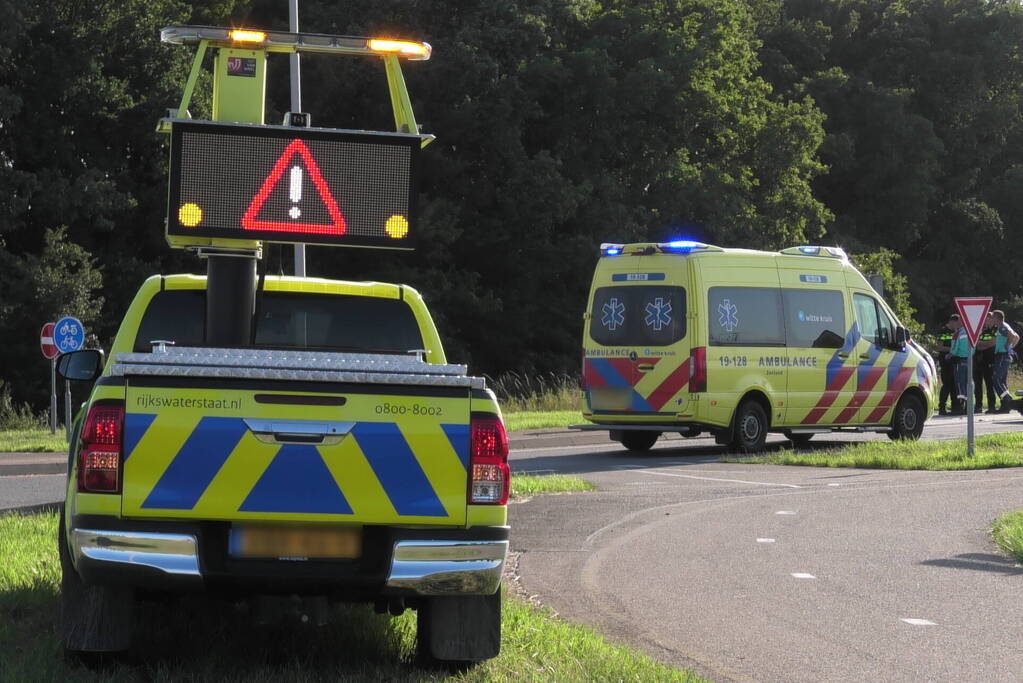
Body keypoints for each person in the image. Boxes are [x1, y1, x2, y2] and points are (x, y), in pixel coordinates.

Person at [987, 309, 1019, 412]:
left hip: (1002, 356)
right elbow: (1017, 337)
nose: (991, 319)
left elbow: (1013, 336)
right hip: (1003, 355)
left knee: (996, 379)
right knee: (1002, 381)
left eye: (993, 317)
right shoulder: (1003, 326)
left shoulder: (1002, 327)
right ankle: (1005, 406)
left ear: (997, 318)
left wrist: (1007, 346)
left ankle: (1007, 399)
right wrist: (1011, 347)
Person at [934, 316, 958, 415]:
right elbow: (939, 347)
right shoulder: (943, 331)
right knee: (947, 385)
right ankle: (942, 408)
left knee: (954, 385)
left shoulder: (956, 332)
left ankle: (955, 408)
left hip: (954, 361)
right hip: (945, 361)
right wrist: (953, 350)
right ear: (952, 321)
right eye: (957, 323)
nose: (958, 325)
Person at [948, 315, 970, 415]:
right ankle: (969, 406)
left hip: (959, 360)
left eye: (959, 321)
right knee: (968, 383)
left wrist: (949, 355)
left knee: (960, 384)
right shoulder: (971, 333)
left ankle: (960, 407)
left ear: (961, 322)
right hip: (969, 361)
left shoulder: (957, 334)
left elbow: (954, 350)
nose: (957, 323)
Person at [975, 322, 996, 412]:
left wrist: (982, 344)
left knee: (989, 384)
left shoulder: (995, 330)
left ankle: (991, 406)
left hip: (989, 361)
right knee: (977, 385)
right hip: (979, 361)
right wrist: (985, 345)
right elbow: (977, 345)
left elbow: (993, 342)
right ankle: (978, 406)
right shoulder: (983, 331)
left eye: (989, 318)